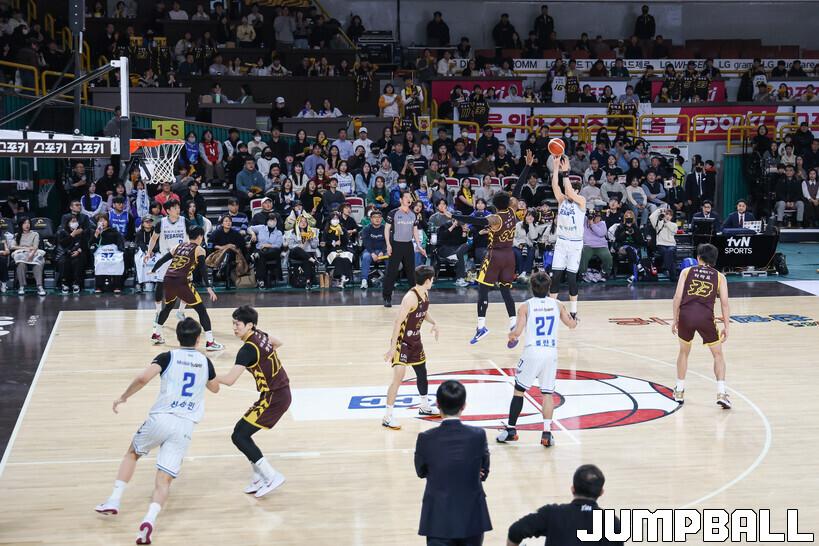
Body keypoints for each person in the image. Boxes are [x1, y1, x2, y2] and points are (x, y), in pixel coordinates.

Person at [94, 318, 219, 546]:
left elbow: (143, 378)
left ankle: (114, 500)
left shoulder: (167, 357)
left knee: (133, 453)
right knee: (164, 480)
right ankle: (148, 520)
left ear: (177, 337)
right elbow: (215, 388)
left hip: (160, 419)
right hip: (184, 426)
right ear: (199, 339)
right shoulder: (205, 361)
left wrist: (124, 396)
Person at [451, 150, 533, 344]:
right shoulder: (513, 211)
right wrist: (527, 166)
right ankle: (513, 323)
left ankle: (481, 327)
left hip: (495, 255)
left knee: (483, 289)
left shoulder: (495, 218)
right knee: (505, 290)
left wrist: (454, 215)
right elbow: (518, 188)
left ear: (495, 205)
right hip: (509, 256)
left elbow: (475, 220)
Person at [216, 305, 291, 498]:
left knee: (240, 436)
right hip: (276, 393)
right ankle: (258, 478)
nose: (234, 328)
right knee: (240, 432)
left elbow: (230, 380)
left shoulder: (247, 350)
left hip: (275, 397)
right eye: (233, 323)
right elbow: (278, 342)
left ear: (249, 325)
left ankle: (271, 476)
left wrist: (210, 377)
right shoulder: (260, 335)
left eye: (238, 324)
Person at [499, 272, 577, 447]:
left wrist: (511, 335)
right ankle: (547, 434)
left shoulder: (525, 306)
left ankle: (511, 430)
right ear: (549, 287)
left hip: (532, 352)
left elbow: (518, 332)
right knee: (547, 393)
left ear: (531, 287)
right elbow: (571, 325)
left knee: (519, 390)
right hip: (550, 353)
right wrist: (575, 318)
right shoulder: (558, 304)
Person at [415, 380, 492, 546]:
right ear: (463, 406)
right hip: (472, 517)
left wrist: (439, 470)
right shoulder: (478, 435)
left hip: (438, 519)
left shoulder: (425, 438)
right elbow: (484, 471)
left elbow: (421, 471)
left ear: (437, 404)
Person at [672, 243, 731, 409]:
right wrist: (727, 326)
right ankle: (721, 393)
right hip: (705, 317)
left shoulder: (686, 271)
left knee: (684, 352)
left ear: (698, 257)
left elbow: (677, 297)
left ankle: (679, 391)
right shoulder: (720, 276)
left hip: (686, 315)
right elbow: (724, 304)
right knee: (718, 355)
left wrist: (675, 318)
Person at [507, 464, 623, 545]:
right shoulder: (613, 523)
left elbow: (514, 531)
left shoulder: (551, 514)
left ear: (572, 489)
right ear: (601, 492)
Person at [382, 265, 439, 429]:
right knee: (398, 378)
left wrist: (434, 322)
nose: (433, 282)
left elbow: (423, 311)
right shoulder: (410, 298)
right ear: (427, 281)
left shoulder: (425, 293)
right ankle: (387, 416)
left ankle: (424, 406)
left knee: (422, 373)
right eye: (432, 279)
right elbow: (397, 322)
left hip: (416, 340)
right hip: (402, 342)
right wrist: (393, 347)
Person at [149, 227, 222, 352]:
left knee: (168, 307)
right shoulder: (199, 249)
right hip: (182, 282)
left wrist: (153, 269)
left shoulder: (178, 246)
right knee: (201, 310)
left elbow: (162, 260)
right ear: (200, 237)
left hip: (168, 279)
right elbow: (203, 270)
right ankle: (210, 342)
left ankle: (156, 334)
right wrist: (208, 287)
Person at [549, 155, 585, 319]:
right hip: (562, 242)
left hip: (575, 245)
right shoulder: (562, 200)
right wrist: (556, 167)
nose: (568, 192)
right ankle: (551, 308)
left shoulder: (581, 201)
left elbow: (569, 190)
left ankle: (574, 311)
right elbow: (555, 185)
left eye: (572, 190)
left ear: (577, 192)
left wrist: (566, 173)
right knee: (556, 277)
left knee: (571, 278)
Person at [145, 200, 189, 329]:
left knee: (186, 285)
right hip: (165, 256)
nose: (178, 209)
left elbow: (193, 237)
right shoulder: (161, 223)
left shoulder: (184, 221)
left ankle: (181, 311)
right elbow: (154, 238)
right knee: (160, 284)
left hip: (182, 257)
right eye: (175, 208)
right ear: (168, 211)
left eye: (178, 207)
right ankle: (158, 312)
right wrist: (148, 252)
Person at [382, 191, 427, 307]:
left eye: (409, 197)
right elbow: (386, 229)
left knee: (411, 273)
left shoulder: (413, 214)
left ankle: (416, 298)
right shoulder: (393, 213)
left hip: (408, 245)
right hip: (396, 245)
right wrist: (388, 245)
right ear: (401, 200)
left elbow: (415, 230)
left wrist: (419, 245)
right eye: (406, 197)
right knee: (391, 272)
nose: (408, 199)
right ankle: (387, 297)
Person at [650, 206, 678, 281]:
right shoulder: (658, 223)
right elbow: (651, 217)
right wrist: (659, 210)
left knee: (670, 251)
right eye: (667, 214)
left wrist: (666, 222)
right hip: (661, 244)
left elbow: (673, 231)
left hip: (671, 244)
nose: (668, 216)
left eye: (670, 215)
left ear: (672, 217)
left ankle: (665, 267)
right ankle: (673, 276)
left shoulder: (674, 225)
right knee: (669, 254)